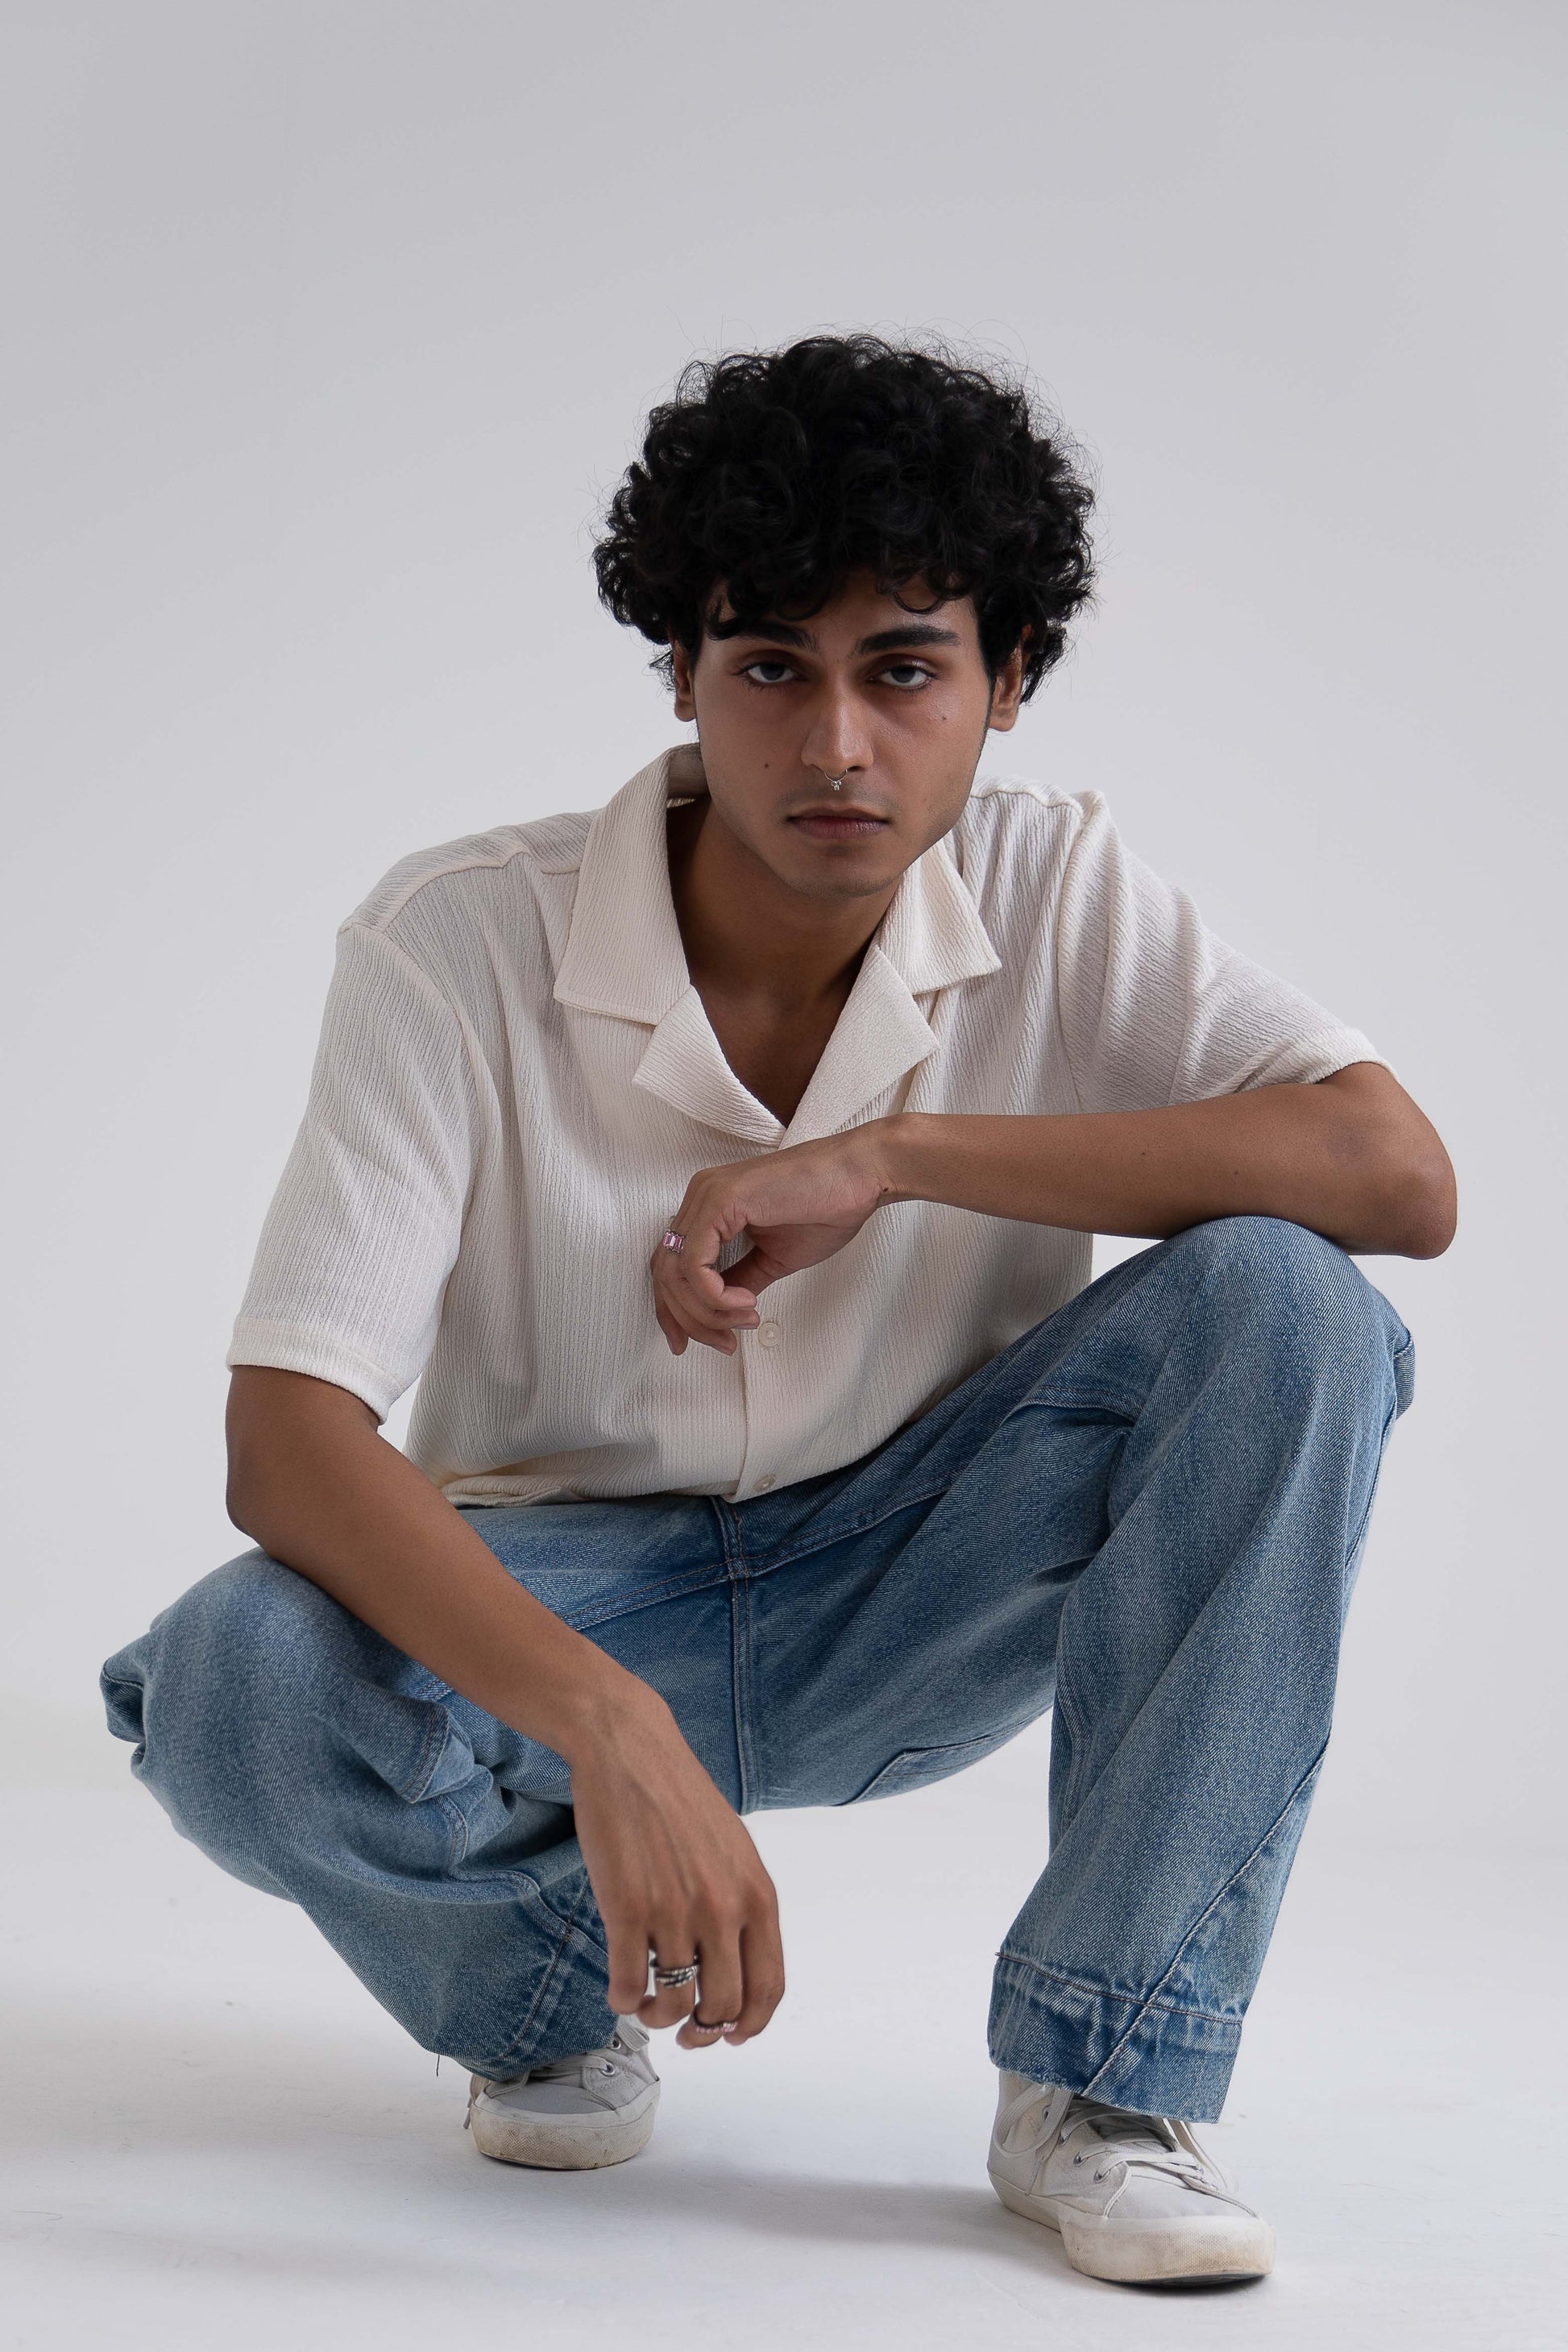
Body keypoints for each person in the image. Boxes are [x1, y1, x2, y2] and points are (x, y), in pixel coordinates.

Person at [102, 336, 1454, 2288]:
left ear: (1006, 678)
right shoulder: (458, 936)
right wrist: (607, 1718)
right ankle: (549, 1991)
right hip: (570, 1604)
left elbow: (1395, 1175)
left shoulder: (1051, 882)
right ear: (681, 672)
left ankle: (1106, 2080)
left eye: (901, 669)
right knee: (231, 1674)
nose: (835, 744)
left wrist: (893, 1158)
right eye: (768, 667)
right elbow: (287, 1436)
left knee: (1286, 1303)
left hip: (923, 1573)